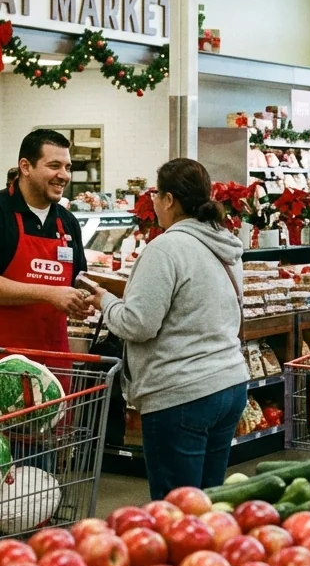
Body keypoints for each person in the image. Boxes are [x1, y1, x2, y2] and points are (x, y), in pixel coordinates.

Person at [88, 159, 247, 499]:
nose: (155, 202)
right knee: (208, 502)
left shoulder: (166, 248)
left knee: (176, 507)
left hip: (182, 392)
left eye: (157, 195)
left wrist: (104, 301)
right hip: (229, 383)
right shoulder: (225, 244)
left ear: (170, 199)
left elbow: (138, 324)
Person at [0, 129, 91, 360]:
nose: (64, 175)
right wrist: (50, 294)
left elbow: (78, 281)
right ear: (26, 167)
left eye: (67, 167)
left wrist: (85, 301)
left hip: (52, 357)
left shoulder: (67, 222)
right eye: (54, 166)